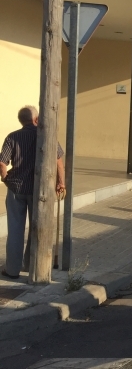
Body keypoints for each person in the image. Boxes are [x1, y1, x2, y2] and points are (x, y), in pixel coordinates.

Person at [0, 106, 65, 279]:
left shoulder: (12, 137)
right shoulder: (46, 136)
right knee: (37, 229)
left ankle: (12, 270)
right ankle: (31, 266)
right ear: (36, 119)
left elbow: (2, 163)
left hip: (16, 189)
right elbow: (59, 162)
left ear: (21, 121)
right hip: (39, 190)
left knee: (15, 230)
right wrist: (61, 183)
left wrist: (5, 179)